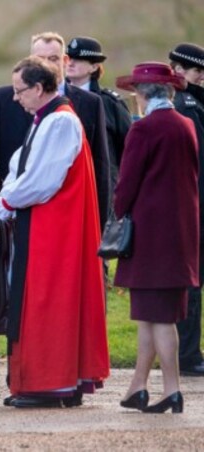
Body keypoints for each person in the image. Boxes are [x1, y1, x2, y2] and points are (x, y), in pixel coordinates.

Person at [0, 56, 110, 409]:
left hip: (55, 229)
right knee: (37, 300)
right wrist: (6, 197)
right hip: (44, 225)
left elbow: (43, 179)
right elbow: (20, 167)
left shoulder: (60, 122)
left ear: (40, 88)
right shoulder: (45, 119)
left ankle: (51, 383)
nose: (16, 98)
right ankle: (38, 381)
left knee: (47, 301)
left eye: (20, 91)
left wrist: (5, 204)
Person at [113, 62, 199, 413]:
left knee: (160, 317)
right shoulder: (186, 124)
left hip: (150, 235)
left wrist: (117, 212)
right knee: (150, 314)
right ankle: (139, 386)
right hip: (181, 233)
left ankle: (172, 389)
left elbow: (127, 183)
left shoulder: (145, 129)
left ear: (140, 95)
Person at [0, 32, 112, 233]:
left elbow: (100, 168)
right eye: (39, 60)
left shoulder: (88, 104)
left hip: (65, 216)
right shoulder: (3, 98)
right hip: (12, 216)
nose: (46, 65)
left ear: (65, 60)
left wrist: (100, 226)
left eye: (52, 59)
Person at [168, 43, 204, 377]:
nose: (201, 78)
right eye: (175, 66)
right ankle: (189, 354)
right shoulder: (185, 105)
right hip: (193, 206)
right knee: (191, 284)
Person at [66, 36, 132, 167]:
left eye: (78, 59)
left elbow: (128, 148)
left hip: (101, 179)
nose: (70, 63)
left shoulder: (110, 103)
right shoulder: (55, 97)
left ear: (94, 67)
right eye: (68, 58)